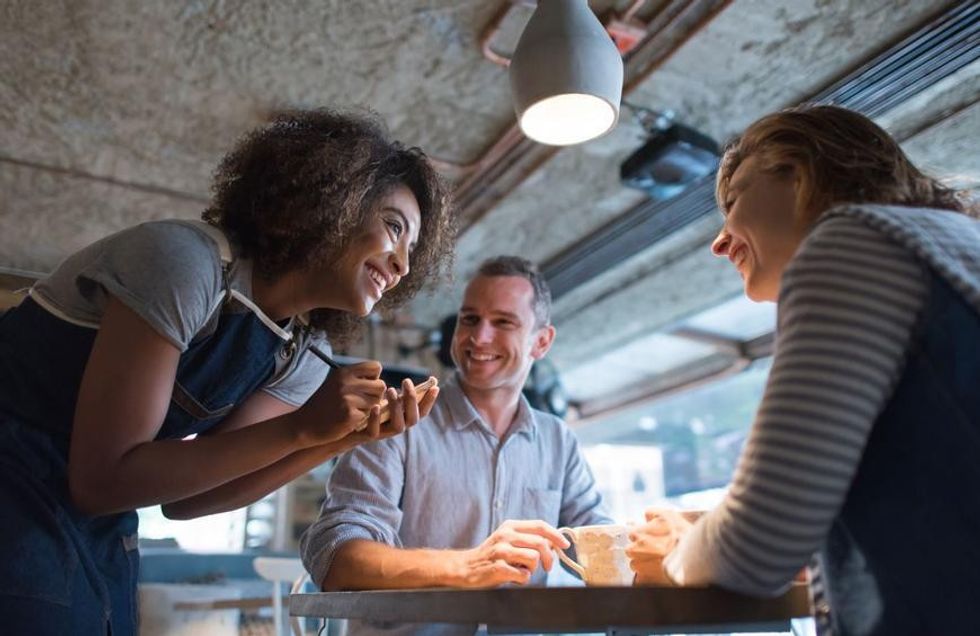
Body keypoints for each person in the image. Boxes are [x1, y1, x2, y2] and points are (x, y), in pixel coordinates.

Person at [0, 108, 456, 635]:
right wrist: (301, 428)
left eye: (412, 250)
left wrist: (339, 438)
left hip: (99, 515)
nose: (401, 263)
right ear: (330, 202)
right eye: (393, 227)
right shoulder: (183, 264)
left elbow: (189, 500)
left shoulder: (304, 349)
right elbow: (101, 480)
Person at [626, 104, 980, 635]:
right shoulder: (950, 249)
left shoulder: (853, 241)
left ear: (798, 171)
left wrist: (679, 549)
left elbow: (755, 548)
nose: (718, 243)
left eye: (737, 198)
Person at [300, 256, 612, 636]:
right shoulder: (398, 420)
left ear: (541, 342)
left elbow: (601, 544)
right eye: (469, 319)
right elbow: (334, 557)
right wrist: (469, 565)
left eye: (503, 322)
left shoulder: (558, 441)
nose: (479, 338)